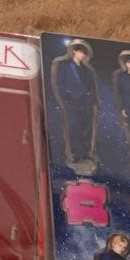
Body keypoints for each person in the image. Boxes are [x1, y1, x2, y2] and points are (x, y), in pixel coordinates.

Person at [51, 40, 98, 170]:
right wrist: (66, 99)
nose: (82, 55)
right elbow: (60, 83)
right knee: (74, 128)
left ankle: (86, 153)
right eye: (80, 52)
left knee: (87, 128)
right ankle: (76, 155)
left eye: (84, 53)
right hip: (72, 102)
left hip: (86, 104)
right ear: (74, 51)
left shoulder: (86, 70)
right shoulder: (64, 65)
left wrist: (92, 100)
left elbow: (91, 87)